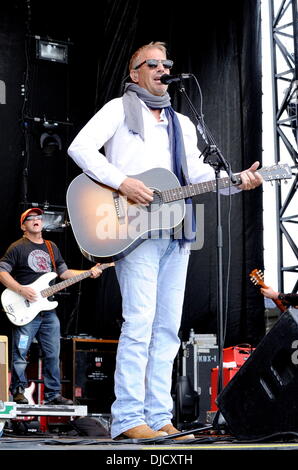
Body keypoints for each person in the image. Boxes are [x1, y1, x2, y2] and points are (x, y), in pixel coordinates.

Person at [67, 41, 263, 440]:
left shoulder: (183, 123)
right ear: (134, 72)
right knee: (139, 323)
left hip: (177, 230)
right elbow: (80, 147)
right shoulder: (118, 110)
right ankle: (126, 419)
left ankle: (159, 418)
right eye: (151, 64)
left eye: (166, 63)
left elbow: (196, 176)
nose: (161, 69)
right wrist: (122, 182)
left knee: (168, 329)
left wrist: (236, 182)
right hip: (132, 231)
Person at [0, 207, 101, 405]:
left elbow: (63, 273)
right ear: (23, 226)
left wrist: (89, 272)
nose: (36, 220)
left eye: (38, 217)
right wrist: (21, 289)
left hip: (47, 311)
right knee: (20, 354)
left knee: (53, 354)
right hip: (24, 307)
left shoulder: (51, 247)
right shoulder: (17, 247)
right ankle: (19, 391)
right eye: (30, 218)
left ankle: (53, 395)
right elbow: (2, 272)